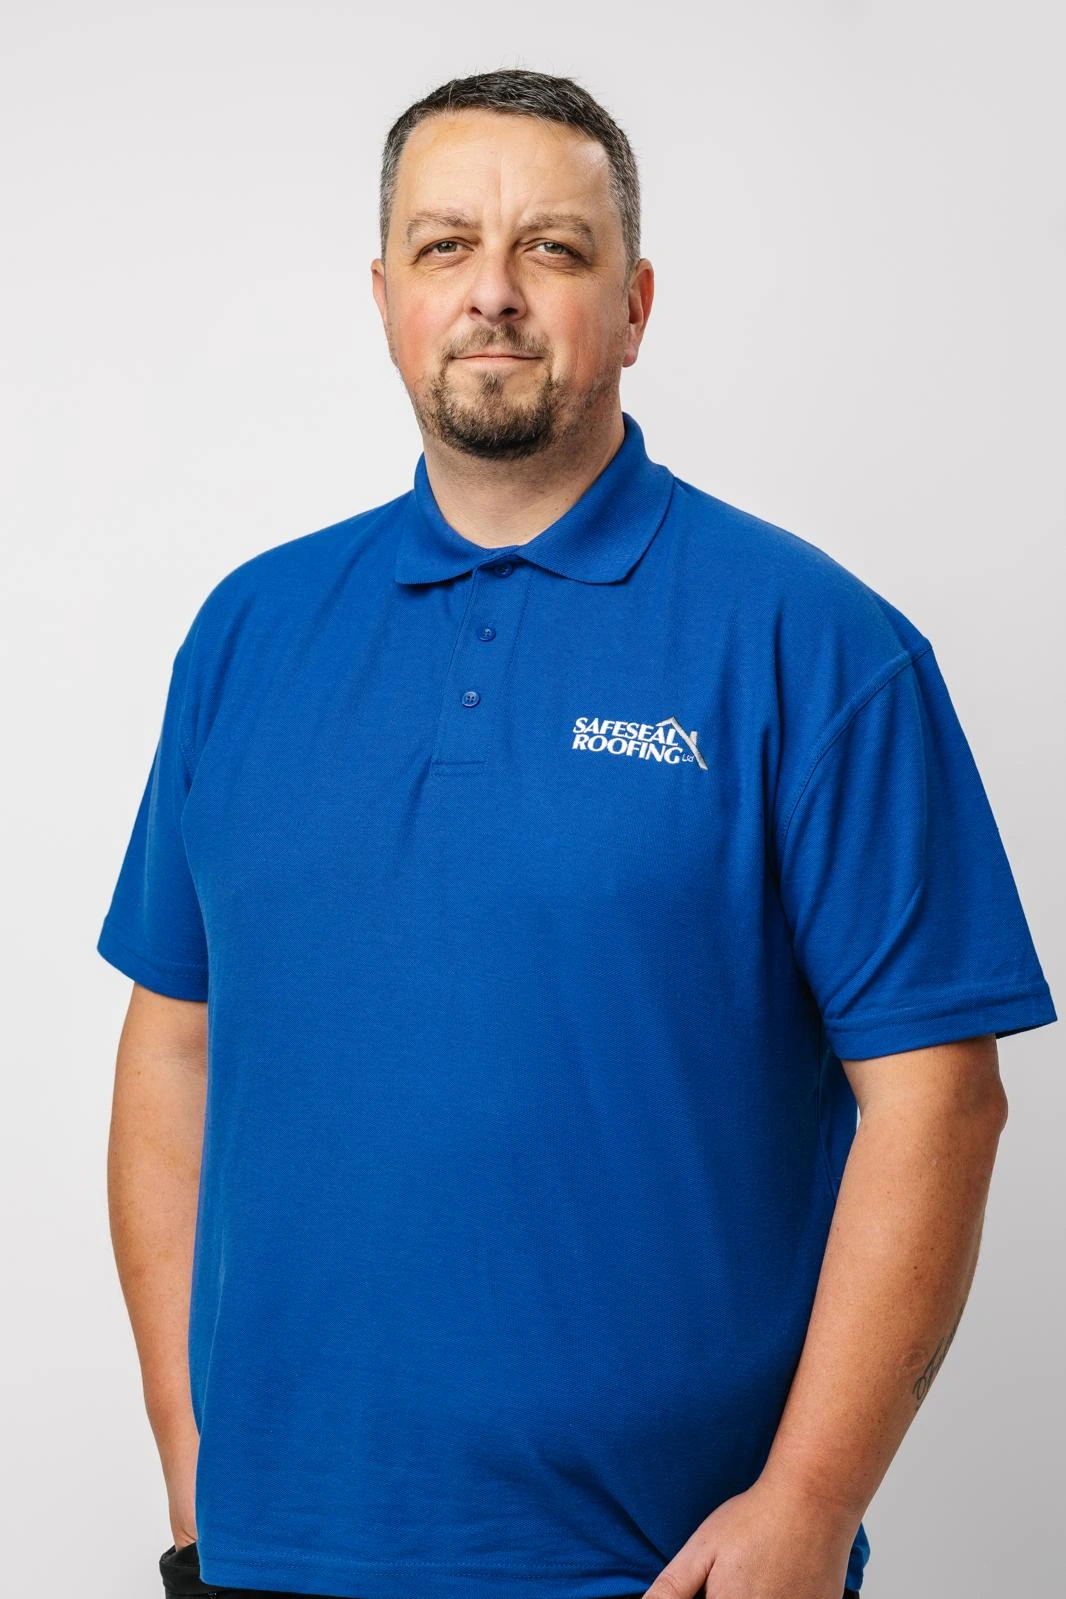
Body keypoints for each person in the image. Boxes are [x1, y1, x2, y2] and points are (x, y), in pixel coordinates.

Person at [98, 67, 1056, 1599]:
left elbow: (939, 1103)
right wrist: (189, 1447)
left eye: (551, 247)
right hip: (272, 1549)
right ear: (383, 295)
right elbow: (174, 1046)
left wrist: (808, 1502)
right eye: (441, 247)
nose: (491, 292)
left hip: (661, 1568)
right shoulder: (248, 633)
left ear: (634, 300)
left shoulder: (813, 645)